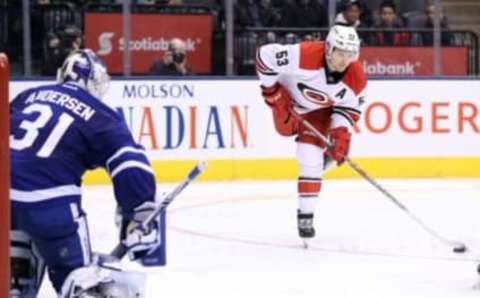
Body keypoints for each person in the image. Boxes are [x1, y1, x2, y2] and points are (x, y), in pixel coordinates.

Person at [9, 49, 160, 297]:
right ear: (94, 82)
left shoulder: (26, 97)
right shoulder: (99, 113)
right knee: (79, 280)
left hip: (5, 200)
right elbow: (129, 162)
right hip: (50, 206)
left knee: (13, 280)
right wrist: (138, 213)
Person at [256, 25, 367, 241]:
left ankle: (306, 213)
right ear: (328, 49)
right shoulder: (304, 55)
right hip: (288, 103)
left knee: (308, 156)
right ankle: (321, 161)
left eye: (350, 54)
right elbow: (264, 55)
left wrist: (340, 132)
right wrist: (272, 91)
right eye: (340, 53)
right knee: (285, 133)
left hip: (320, 112)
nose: (345, 60)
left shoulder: (356, 78)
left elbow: (349, 108)